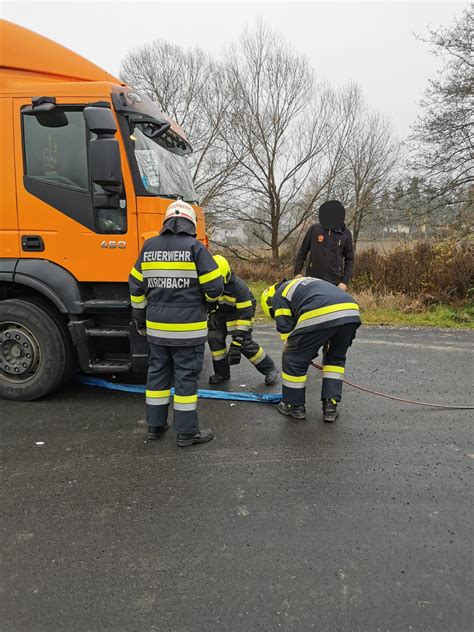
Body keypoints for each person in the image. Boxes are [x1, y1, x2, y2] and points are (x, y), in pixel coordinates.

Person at [128, 200, 224, 447]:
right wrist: (205, 302)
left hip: (157, 330)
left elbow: (136, 287)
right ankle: (186, 433)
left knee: (157, 377)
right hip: (188, 332)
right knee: (185, 379)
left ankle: (154, 427)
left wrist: (141, 320)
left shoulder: (148, 247)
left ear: (166, 223)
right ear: (190, 223)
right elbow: (215, 287)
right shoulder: (195, 247)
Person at [261, 276, 361, 422]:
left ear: (269, 304)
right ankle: (330, 407)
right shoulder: (302, 284)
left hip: (322, 311)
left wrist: (303, 354)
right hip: (351, 311)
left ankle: (293, 405)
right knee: (335, 358)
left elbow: (288, 335)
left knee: (292, 357)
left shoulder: (278, 296)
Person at [207, 255, 279, 386]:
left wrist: (237, 342)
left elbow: (244, 317)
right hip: (222, 311)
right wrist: (211, 313)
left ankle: (270, 369)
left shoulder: (239, 288)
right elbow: (208, 301)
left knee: (244, 343)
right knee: (214, 337)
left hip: (240, 313)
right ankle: (222, 373)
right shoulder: (210, 283)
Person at [293, 200, 355, 291]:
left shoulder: (345, 234)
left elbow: (350, 259)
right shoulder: (314, 229)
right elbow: (302, 252)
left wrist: (344, 282)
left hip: (335, 283)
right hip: (312, 280)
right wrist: (297, 272)